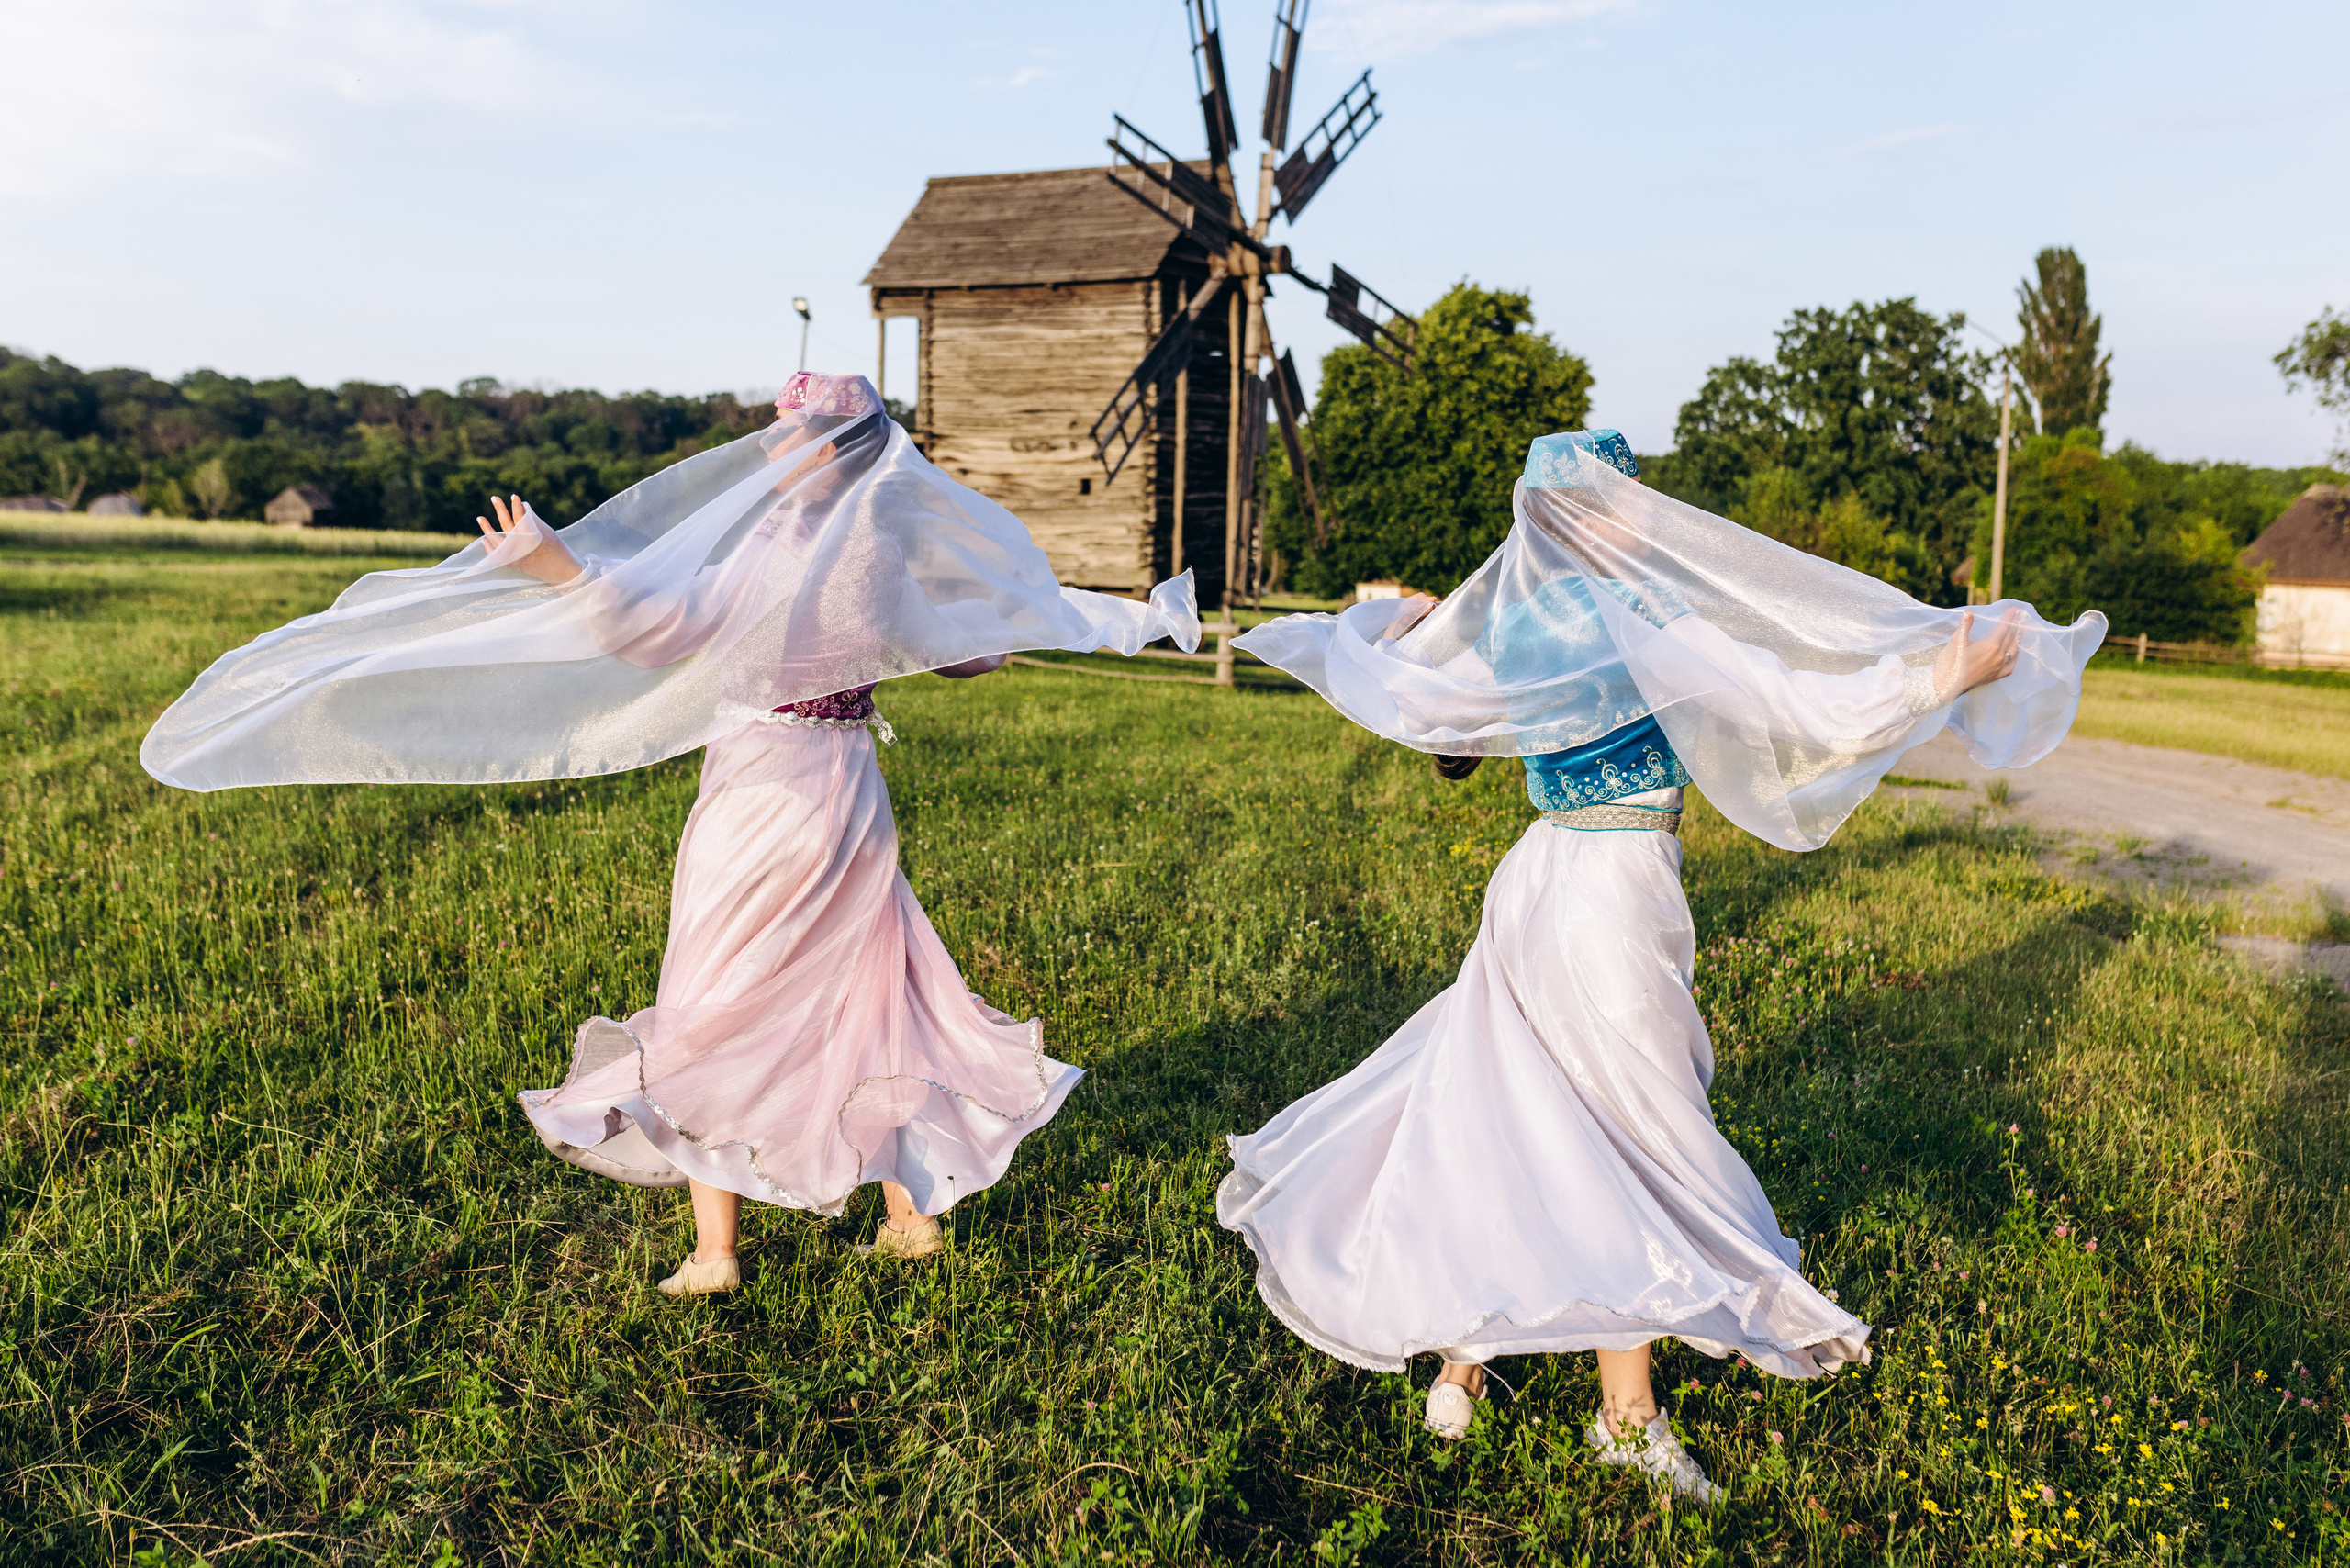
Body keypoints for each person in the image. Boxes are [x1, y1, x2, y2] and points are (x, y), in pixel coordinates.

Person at [143, 372, 1199, 1294]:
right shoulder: (886, 551)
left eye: (785, 436)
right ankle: (908, 1216)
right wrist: (1071, 622)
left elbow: (658, 630)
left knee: (716, 996)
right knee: (864, 987)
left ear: (815, 457)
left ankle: (715, 1250)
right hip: (845, 791)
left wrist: (554, 565)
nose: (769, 452)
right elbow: (965, 651)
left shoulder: (778, 551)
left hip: (762, 793)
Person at [1219, 429, 2103, 1499]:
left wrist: (1397, 617)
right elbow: (1797, 706)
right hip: (1608, 887)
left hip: (1534, 877)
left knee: (1504, 1099)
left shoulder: (1509, 615)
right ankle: (1624, 1416)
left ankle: (1462, 1358)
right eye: (1624, 493)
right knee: (1629, 1128)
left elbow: (1436, 713)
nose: (1644, 510)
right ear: (1588, 514)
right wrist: (1950, 669)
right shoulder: (1629, 617)